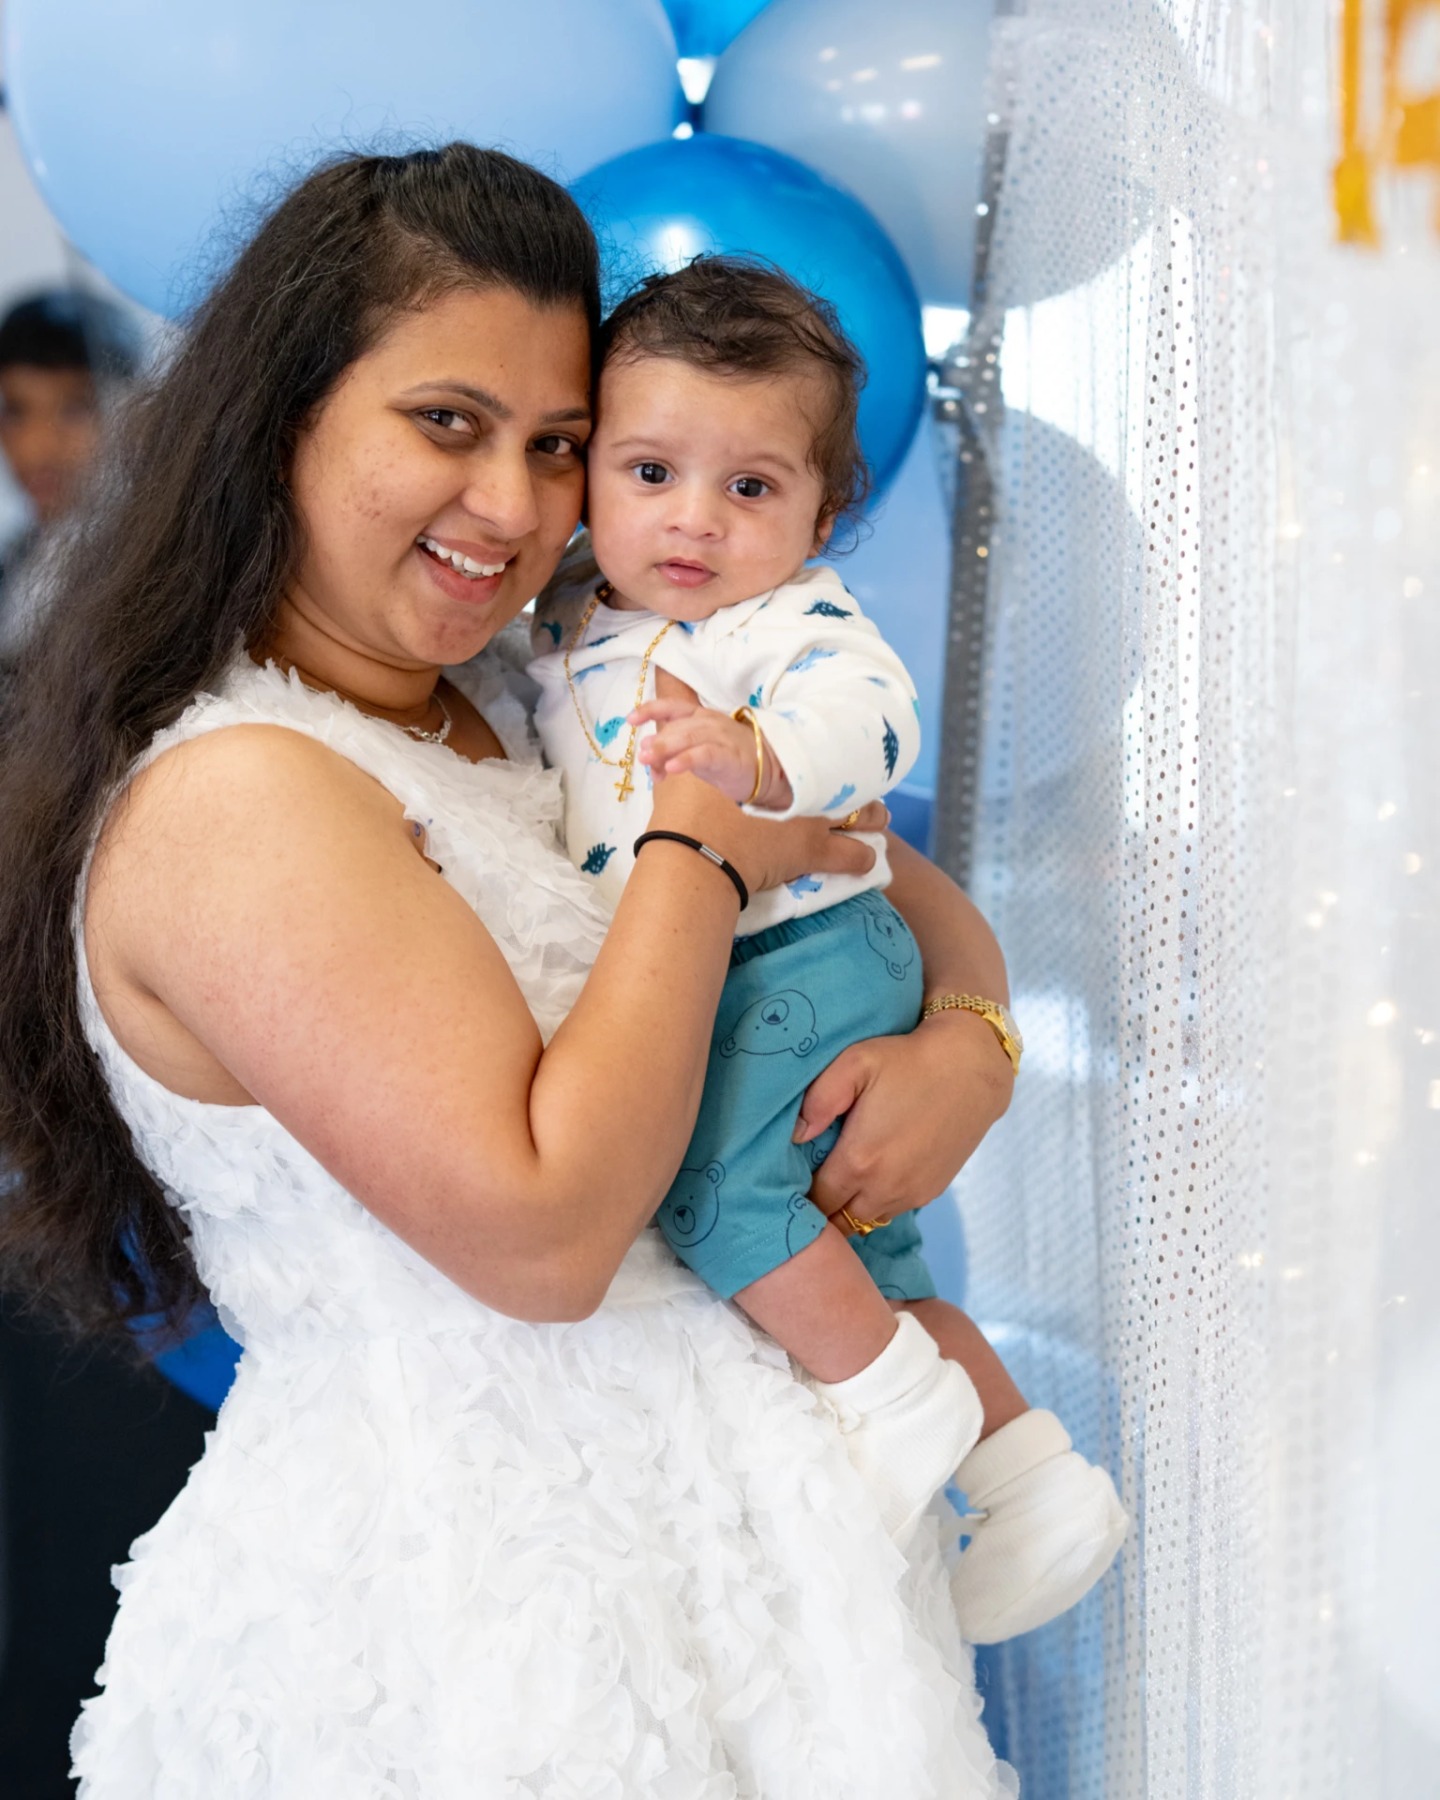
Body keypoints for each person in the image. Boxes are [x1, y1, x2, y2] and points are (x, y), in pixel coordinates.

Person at [0, 145, 1020, 1797]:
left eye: (558, 447)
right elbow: (545, 1232)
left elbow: (869, 863)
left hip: (752, 1571)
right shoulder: (240, 794)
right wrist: (699, 835)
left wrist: (971, 1040)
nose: (517, 508)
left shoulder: (522, 691)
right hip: (479, 1637)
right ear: (285, 416)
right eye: (448, 425)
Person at [530, 256, 1127, 1641]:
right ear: (592, 475)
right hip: (788, 963)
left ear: (821, 513)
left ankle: (885, 1401)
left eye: (751, 489)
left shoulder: (784, 625)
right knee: (875, 1256)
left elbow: (878, 720)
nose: (693, 521)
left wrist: (757, 756)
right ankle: (1032, 1479)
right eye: (651, 471)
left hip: (787, 963)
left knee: (701, 1183)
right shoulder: (574, 615)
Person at [0, 289, 141, 654]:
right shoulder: (13, 561)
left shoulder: (145, 570)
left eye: (75, 409)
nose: (38, 447)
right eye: (15, 412)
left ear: (135, 417)